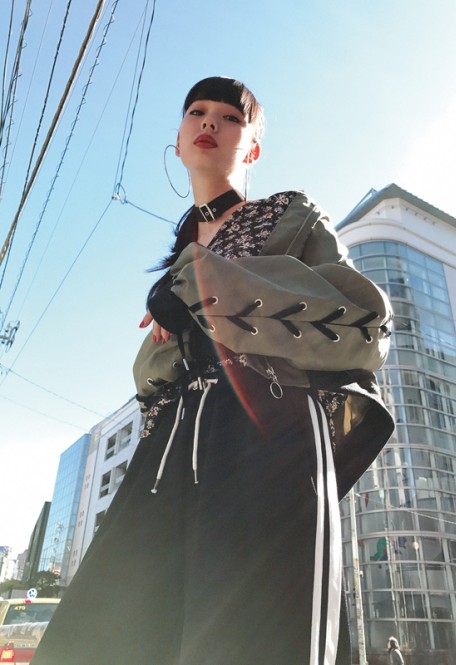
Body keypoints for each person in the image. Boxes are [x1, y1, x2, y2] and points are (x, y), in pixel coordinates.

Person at [33, 76, 394, 665]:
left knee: (250, 640)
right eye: (196, 112)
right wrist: (176, 304)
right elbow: (152, 375)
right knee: (99, 632)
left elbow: (367, 324)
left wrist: (207, 291)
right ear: (177, 141)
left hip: (269, 436)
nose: (209, 122)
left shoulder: (292, 216)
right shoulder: (176, 258)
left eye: (230, 117)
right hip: (166, 450)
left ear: (252, 148)